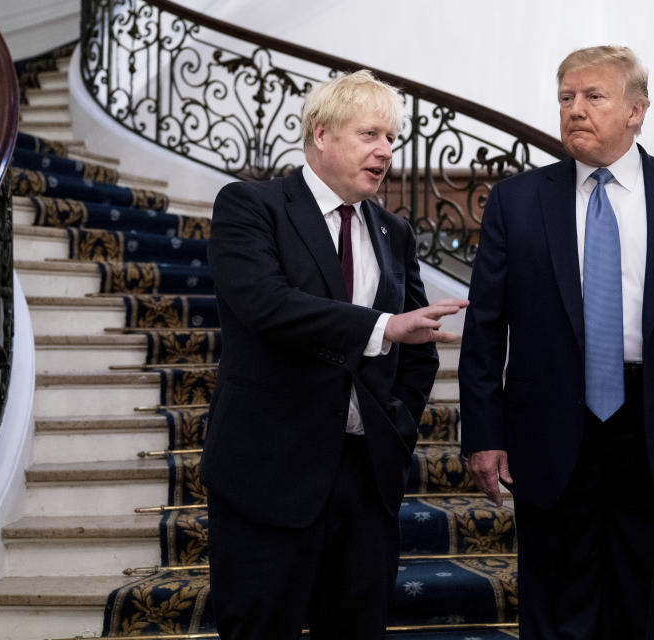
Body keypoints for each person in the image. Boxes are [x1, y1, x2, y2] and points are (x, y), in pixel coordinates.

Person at [458, 46, 654, 639]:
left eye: (593, 96)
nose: (575, 110)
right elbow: (484, 331)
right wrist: (484, 434)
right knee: (553, 612)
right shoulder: (517, 202)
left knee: (643, 613)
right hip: (549, 430)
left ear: (637, 110)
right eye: (566, 97)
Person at [200, 69, 468, 640]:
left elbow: (416, 347)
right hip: (268, 474)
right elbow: (267, 305)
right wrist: (382, 326)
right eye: (371, 134)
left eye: (392, 138)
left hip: (364, 479)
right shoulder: (251, 206)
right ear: (321, 135)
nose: (386, 151)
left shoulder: (395, 232)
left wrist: (396, 426)